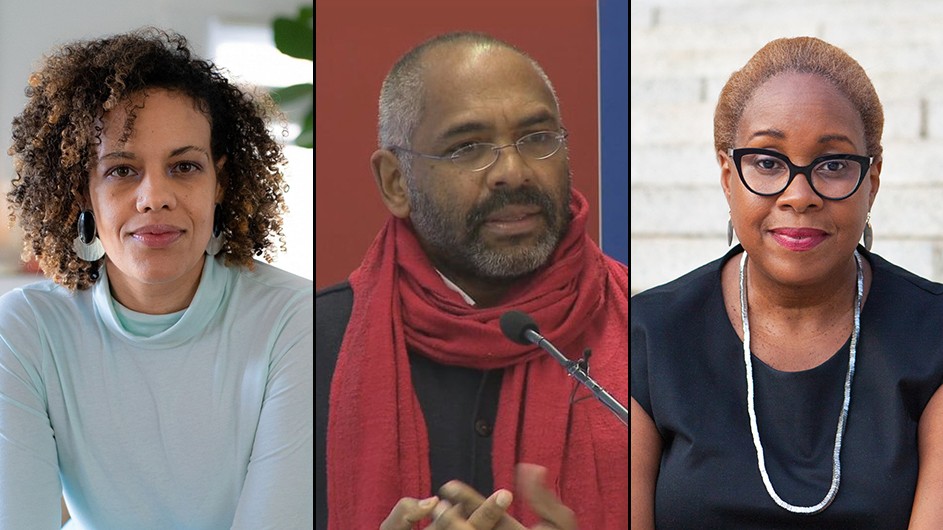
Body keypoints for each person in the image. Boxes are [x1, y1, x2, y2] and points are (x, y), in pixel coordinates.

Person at [0, 28, 313, 529]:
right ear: (83, 190)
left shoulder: (296, 319)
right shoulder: (26, 330)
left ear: (220, 183)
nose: (154, 197)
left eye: (184, 166)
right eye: (122, 171)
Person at [316, 31, 628, 529]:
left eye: (538, 138)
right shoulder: (310, 346)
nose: (513, 171)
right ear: (397, 182)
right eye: (467, 148)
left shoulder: (648, 328)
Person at [631, 36, 943, 529]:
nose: (799, 196)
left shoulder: (933, 335)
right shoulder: (648, 337)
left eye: (834, 165)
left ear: (873, 180)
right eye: (768, 162)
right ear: (728, 175)